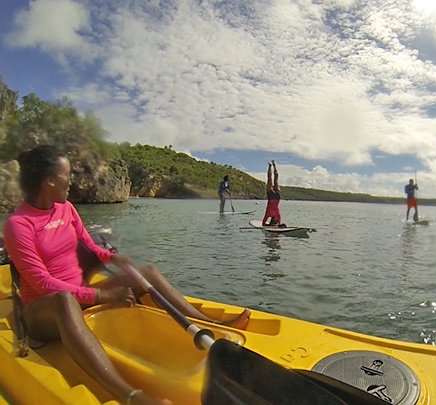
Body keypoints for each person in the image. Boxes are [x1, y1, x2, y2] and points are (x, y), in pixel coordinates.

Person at [3, 145, 251, 405]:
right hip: (42, 313)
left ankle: (211, 324)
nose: (72, 180)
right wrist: (102, 294)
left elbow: (90, 246)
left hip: (79, 295)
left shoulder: (66, 209)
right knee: (63, 298)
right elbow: (43, 284)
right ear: (49, 180)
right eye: (67, 174)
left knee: (147, 273)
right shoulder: (18, 225)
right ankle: (131, 396)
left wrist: (114, 259)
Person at [261, 160, 284, 227]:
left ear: (272, 221)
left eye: (274, 222)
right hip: (275, 197)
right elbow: (264, 223)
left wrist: (268, 226)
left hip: (274, 198)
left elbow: (263, 224)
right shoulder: (277, 215)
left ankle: (271, 166)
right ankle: (273, 166)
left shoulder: (273, 215)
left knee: (271, 180)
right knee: (273, 180)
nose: (276, 222)